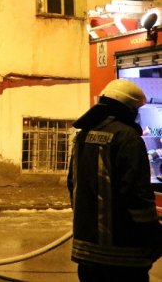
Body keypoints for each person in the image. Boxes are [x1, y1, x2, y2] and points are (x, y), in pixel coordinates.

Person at [68, 79, 162, 281]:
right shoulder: (127, 138)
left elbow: (72, 186)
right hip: (122, 258)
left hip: (86, 254)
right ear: (127, 109)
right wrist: (154, 237)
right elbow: (137, 197)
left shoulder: (81, 136)